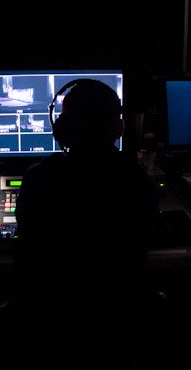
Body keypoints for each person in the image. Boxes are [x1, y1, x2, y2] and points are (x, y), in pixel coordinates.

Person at [15, 78, 159, 280]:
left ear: (61, 130)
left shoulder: (38, 178)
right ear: (120, 128)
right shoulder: (138, 180)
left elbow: (27, 241)